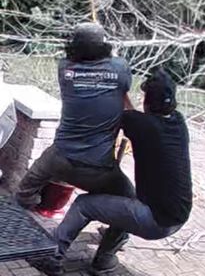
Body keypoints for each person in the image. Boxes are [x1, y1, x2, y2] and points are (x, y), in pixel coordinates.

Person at [33, 68, 193, 276]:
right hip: (176, 216)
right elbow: (136, 118)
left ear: (147, 102)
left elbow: (116, 114)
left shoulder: (144, 125)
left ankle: (51, 256)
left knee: (83, 205)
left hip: (155, 220)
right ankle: (103, 261)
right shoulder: (178, 122)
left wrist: (116, 89)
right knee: (126, 197)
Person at [16, 22, 136, 208]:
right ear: (105, 46)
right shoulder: (121, 68)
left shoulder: (65, 68)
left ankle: (30, 205)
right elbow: (121, 80)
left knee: (25, 189)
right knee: (130, 199)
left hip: (60, 158)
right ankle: (114, 236)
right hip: (98, 168)